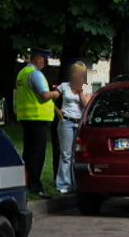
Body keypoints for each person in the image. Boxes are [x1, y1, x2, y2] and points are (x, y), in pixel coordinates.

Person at [15, 48, 60, 197]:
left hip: (26, 118)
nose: (45, 64)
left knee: (28, 153)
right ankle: (35, 185)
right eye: (44, 60)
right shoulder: (35, 74)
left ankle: (25, 182)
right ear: (38, 59)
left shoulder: (22, 73)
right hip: (37, 119)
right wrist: (57, 93)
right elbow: (45, 95)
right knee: (36, 154)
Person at [54, 62, 91, 194]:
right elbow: (50, 98)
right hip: (66, 122)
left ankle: (75, 184)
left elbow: (87, 106)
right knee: (66, 154)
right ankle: (63, 184)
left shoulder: (86, 87)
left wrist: (81, 93)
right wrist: (57, 111)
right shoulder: (64, 86)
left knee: (77, 154)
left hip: (79, 123)